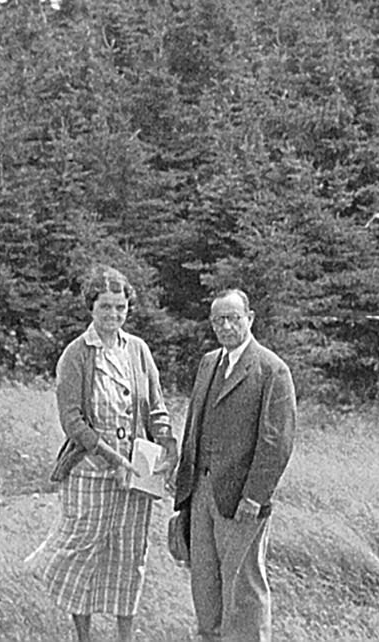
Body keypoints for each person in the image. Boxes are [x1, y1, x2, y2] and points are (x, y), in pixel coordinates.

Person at [27, 265, 178, 642]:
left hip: (137, 470)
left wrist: (167, 442)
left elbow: (156, 407)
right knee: (83, 552)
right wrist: (111, 456)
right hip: (91, 469)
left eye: (120, 307)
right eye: (105, 306)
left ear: (129, 308)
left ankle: (125, 636)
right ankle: (84, 636)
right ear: (91, 307)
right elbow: (72, 420)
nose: (113, 314)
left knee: (130, 555)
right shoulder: (76, 354)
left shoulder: (138, 350)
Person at [172, 288, 296, 642]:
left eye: (233, 318)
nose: (226, 326)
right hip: (201, 492)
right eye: (218, 320)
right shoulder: (208, 363)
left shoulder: (271, 370)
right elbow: (194, 425)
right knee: (205, 583)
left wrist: (254, 497)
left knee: (243, 585)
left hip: (242, 500)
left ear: (250, 319)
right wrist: (185, 481)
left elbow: (277, 442)